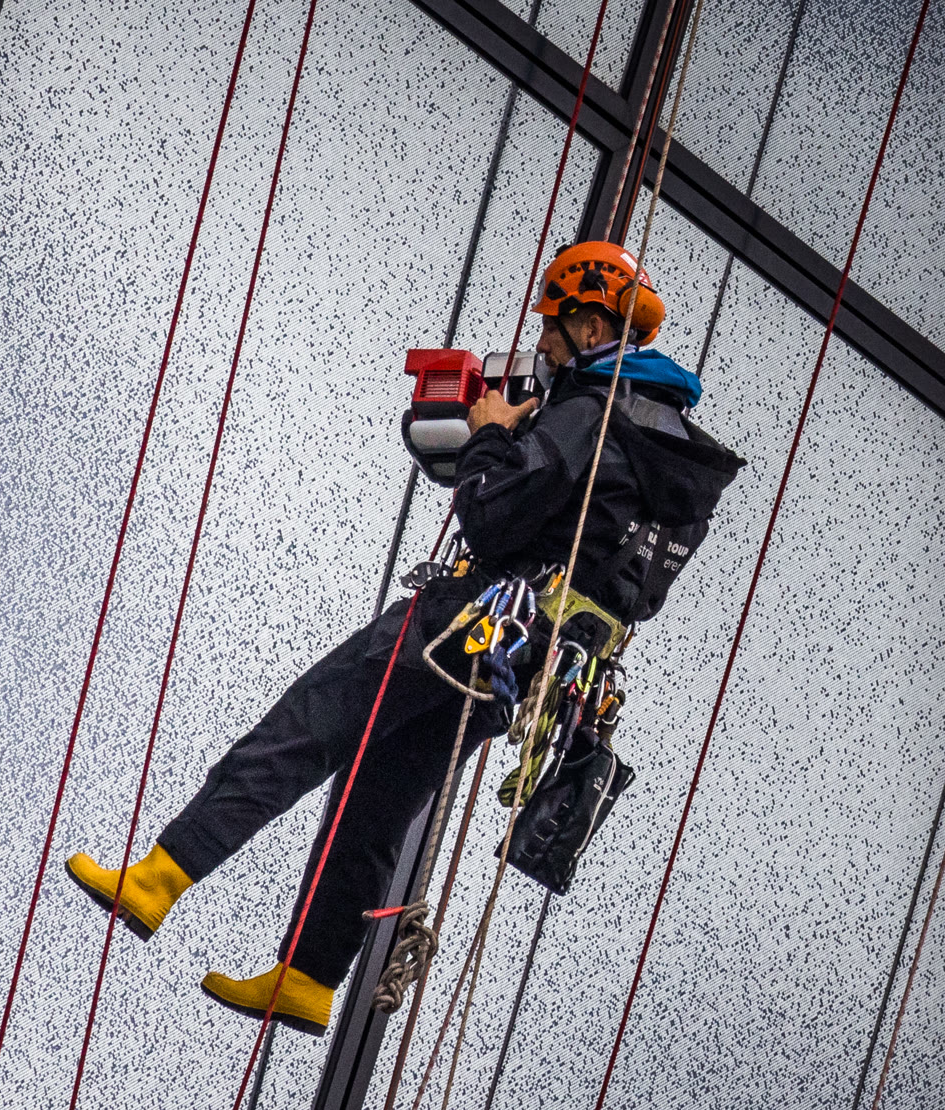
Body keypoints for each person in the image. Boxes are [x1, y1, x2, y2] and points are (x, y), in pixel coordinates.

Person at [65, 242, 744, 1035]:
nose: (544, 345)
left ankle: (158, 878)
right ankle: (308, 978)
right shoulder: (673, 451)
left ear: (592, 327)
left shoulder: (589, 413)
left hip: (470, 619)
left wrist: (490, 434)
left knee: (310, 721)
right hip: (526, 665)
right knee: (379, 799)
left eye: (553, 328)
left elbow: (489, 515)